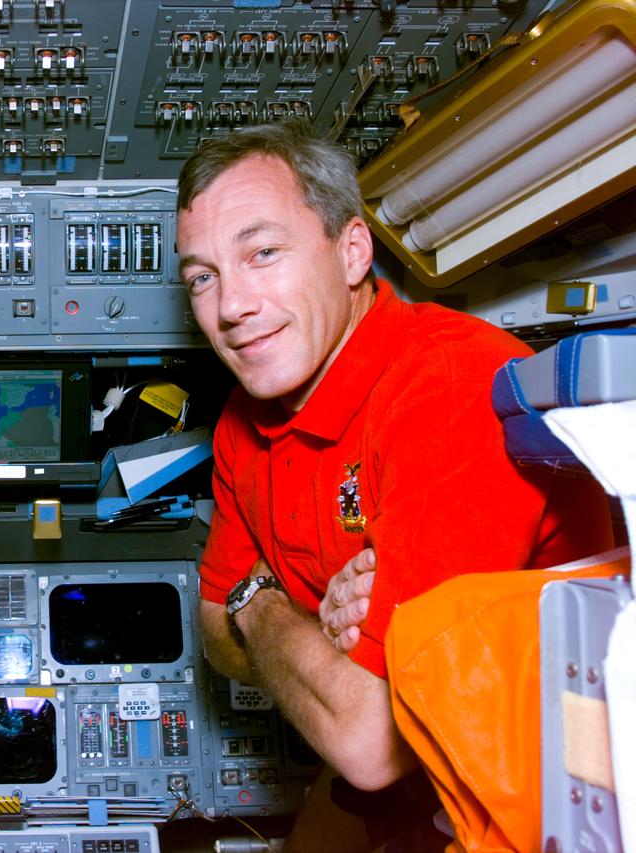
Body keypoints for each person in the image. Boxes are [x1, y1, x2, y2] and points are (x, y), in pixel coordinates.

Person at [175, 120, 612, 850]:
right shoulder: (241, 424)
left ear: (351, 251)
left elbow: (370, 734)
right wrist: (308, 619)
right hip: (415, 760)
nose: (230, 307)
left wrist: (262, 601)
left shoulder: (451, 389)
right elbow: (216, 629)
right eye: (203, 277)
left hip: (546, 765)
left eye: (263, 253)